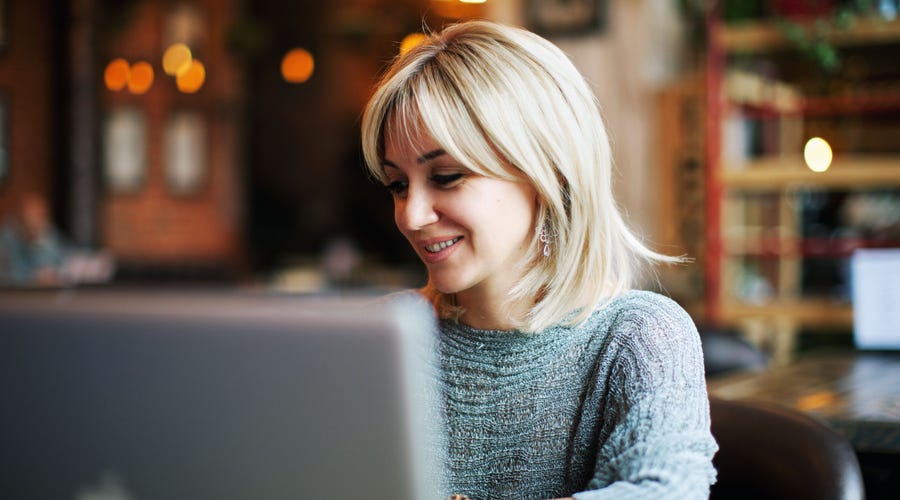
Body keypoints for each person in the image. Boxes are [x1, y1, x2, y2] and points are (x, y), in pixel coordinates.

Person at [360, 20, 718, 499]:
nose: (412, 215)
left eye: (445, 176)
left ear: (548, 173)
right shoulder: (383, 335)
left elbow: (666, 490)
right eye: (397, 185)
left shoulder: (638, 335)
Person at [0, 193, 66, 286]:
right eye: (31, 214)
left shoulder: (48, 233)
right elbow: (8, 277)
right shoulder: (6, 239)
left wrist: (39, 243)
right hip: (12, 297)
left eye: (41, 215)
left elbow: (60, 266)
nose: (37, 220)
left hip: (42, 296)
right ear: (20, 216)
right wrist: (35, 278)